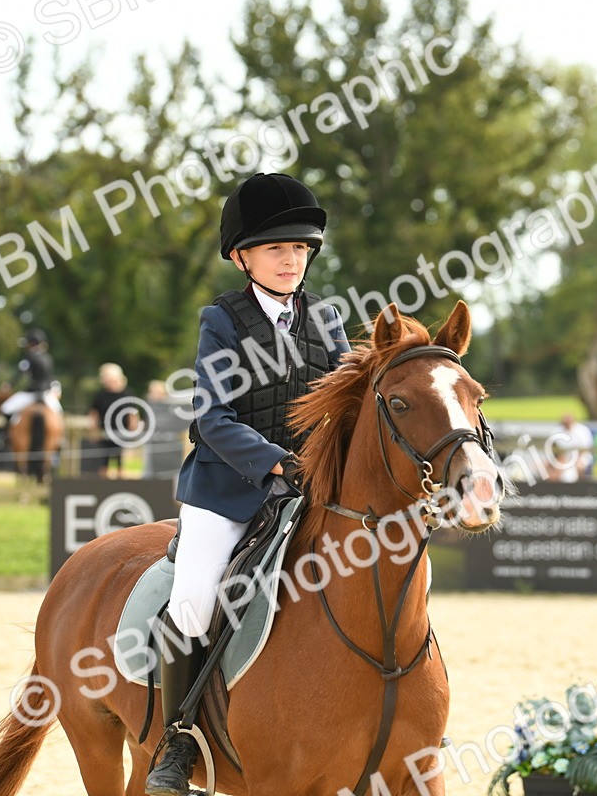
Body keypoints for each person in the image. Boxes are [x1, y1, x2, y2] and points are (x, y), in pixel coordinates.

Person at [145, 172, 350, 795]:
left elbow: (346, 407)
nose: (290, 260)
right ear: (242, 257)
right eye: (275, 249)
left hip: (310, 488)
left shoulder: (326, 319)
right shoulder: (222, 320)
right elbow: (212, 417)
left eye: (299, 249)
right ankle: (178, 741)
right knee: (194, 600)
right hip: (229, 489)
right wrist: (278, 463)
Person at [1, 329, 61, 422]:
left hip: (31, 393)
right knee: (59, 415)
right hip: (47, 394)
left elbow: (20, 374)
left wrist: (9, 384)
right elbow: (51, 377)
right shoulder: (48, 358)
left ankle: (11, 429)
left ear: (30, 344)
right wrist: (56, 388)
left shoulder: (28, 358)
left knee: (5, 409)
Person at [87, 363, 136, 478]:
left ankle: (120, 482)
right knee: (104, 461)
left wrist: (132, 431)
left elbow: (132, 414)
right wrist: (93, 431)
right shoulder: (100, 395)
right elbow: (94, 414)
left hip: (121, 434)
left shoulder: (127, 393)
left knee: (120, 461)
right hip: (105, 434)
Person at [553, 413, 594, 482]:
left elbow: (585, 449)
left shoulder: (582, 430)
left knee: (580, 466)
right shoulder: (557, 430)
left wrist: (576, 460)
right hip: (563, 458)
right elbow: (555, 449)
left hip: (580, 457)